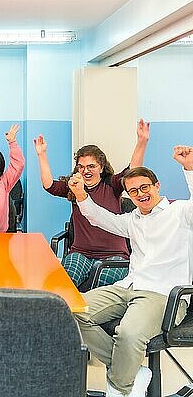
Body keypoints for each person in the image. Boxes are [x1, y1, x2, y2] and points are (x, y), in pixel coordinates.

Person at [67, 146, 193, 397]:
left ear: (156, 185)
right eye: (133, 191)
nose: (140, 194)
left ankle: (120, 388)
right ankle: (130, 370)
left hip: (164, 294)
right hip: (128, 287)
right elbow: (97, 217)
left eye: (144, 187)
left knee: (128, 333)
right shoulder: (132, 219)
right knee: (69, 310)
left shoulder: (180, 213)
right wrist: (81, 194)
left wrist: (189, 168)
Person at [33, 119, 150, 288]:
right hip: (81, 253)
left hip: (114, 255)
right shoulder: (74, 187)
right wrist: (41, 155)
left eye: (91, 166)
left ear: (101, 167)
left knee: (100, 289)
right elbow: (49, 185)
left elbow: (132, 171)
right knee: (64, 285)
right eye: (81, 167)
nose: (86, 170)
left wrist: (142, 142)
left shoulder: (112, 184)